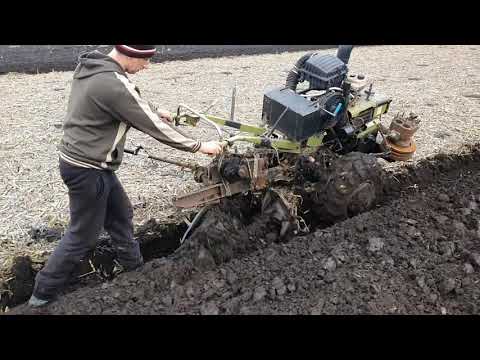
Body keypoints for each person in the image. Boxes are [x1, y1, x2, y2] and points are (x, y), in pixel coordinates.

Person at [29, 45, 223, 307]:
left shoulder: (94, 66)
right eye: (145, 60)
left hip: (91, 165)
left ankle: (136, 271)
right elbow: (150, 124)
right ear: (130, 55)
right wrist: (200, 146)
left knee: (121, 215)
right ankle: (41, 295)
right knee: (83, 235)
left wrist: (155, 108)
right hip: (88, 169)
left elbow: (129, 101)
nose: (146, 66)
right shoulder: (112, 82)